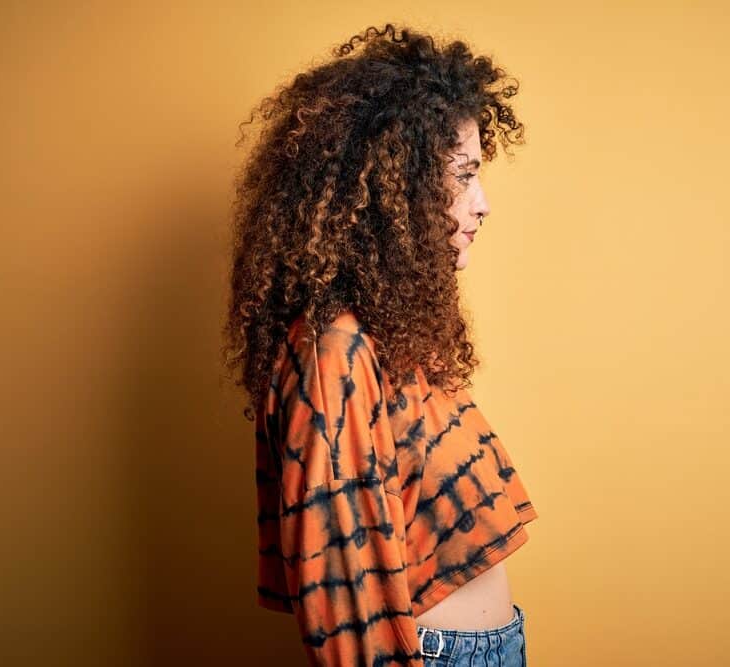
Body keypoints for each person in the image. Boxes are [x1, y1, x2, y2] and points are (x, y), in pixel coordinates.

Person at [223, 23, 538, 665]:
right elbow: (338, 584)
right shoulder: (332, 351)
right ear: (397, 186)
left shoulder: (386, 328)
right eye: (463, 175)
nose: (482, 204)